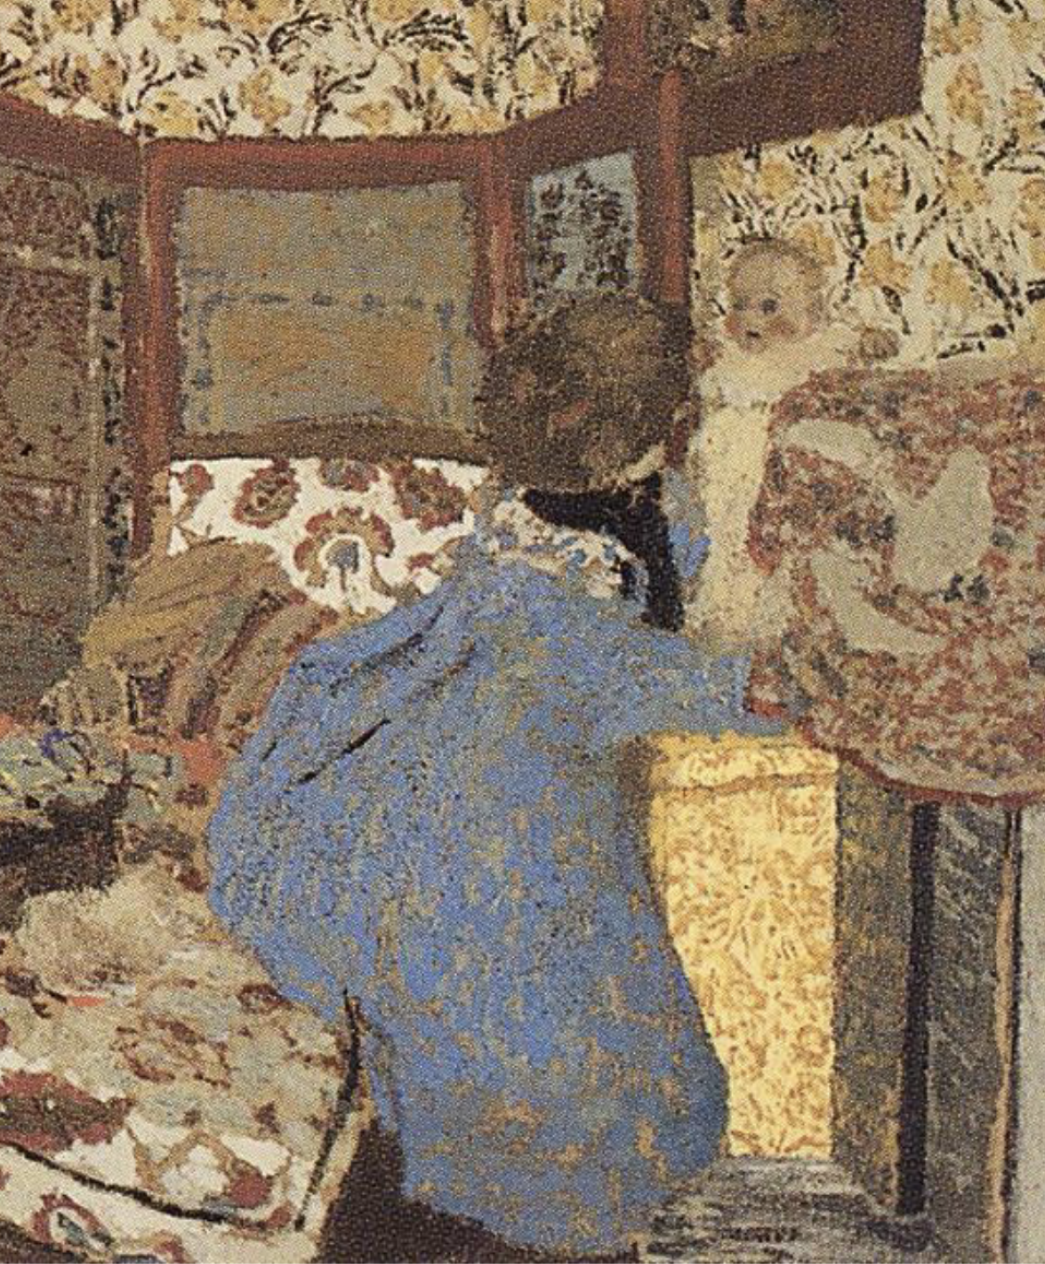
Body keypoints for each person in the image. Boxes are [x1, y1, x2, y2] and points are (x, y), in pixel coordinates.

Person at [208, 294, 781, 1256]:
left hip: (461, 743)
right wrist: (775, 684)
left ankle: (442, 1187)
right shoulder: (575, 570)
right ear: (647, 422)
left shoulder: (542, 508)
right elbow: (636, 668)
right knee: (543, 1019)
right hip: (501, 781)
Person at [684, 237, 897, 652]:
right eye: (739, 304)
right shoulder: (730, 355)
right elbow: (711, 391)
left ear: (811, 313)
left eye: (769, 307)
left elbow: (856, 349)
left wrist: (870, 343)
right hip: (731, 465)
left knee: (776, 546)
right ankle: (723, 613)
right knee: (729, 539)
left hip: (781, 465)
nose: (750, 319)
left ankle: (770, 619)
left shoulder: (817, 349)